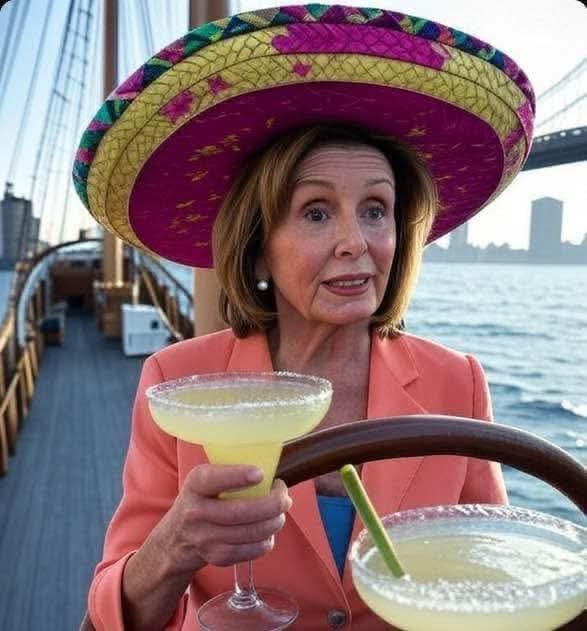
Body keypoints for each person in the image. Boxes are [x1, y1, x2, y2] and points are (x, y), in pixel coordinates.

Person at [74, 4, 534, 630]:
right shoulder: (177, 380)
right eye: (316, 212)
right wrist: (175, 545)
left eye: (375, 210)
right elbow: (112, 613)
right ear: (259, 245)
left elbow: (493, 567)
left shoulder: (459, 382)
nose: (356, 242)